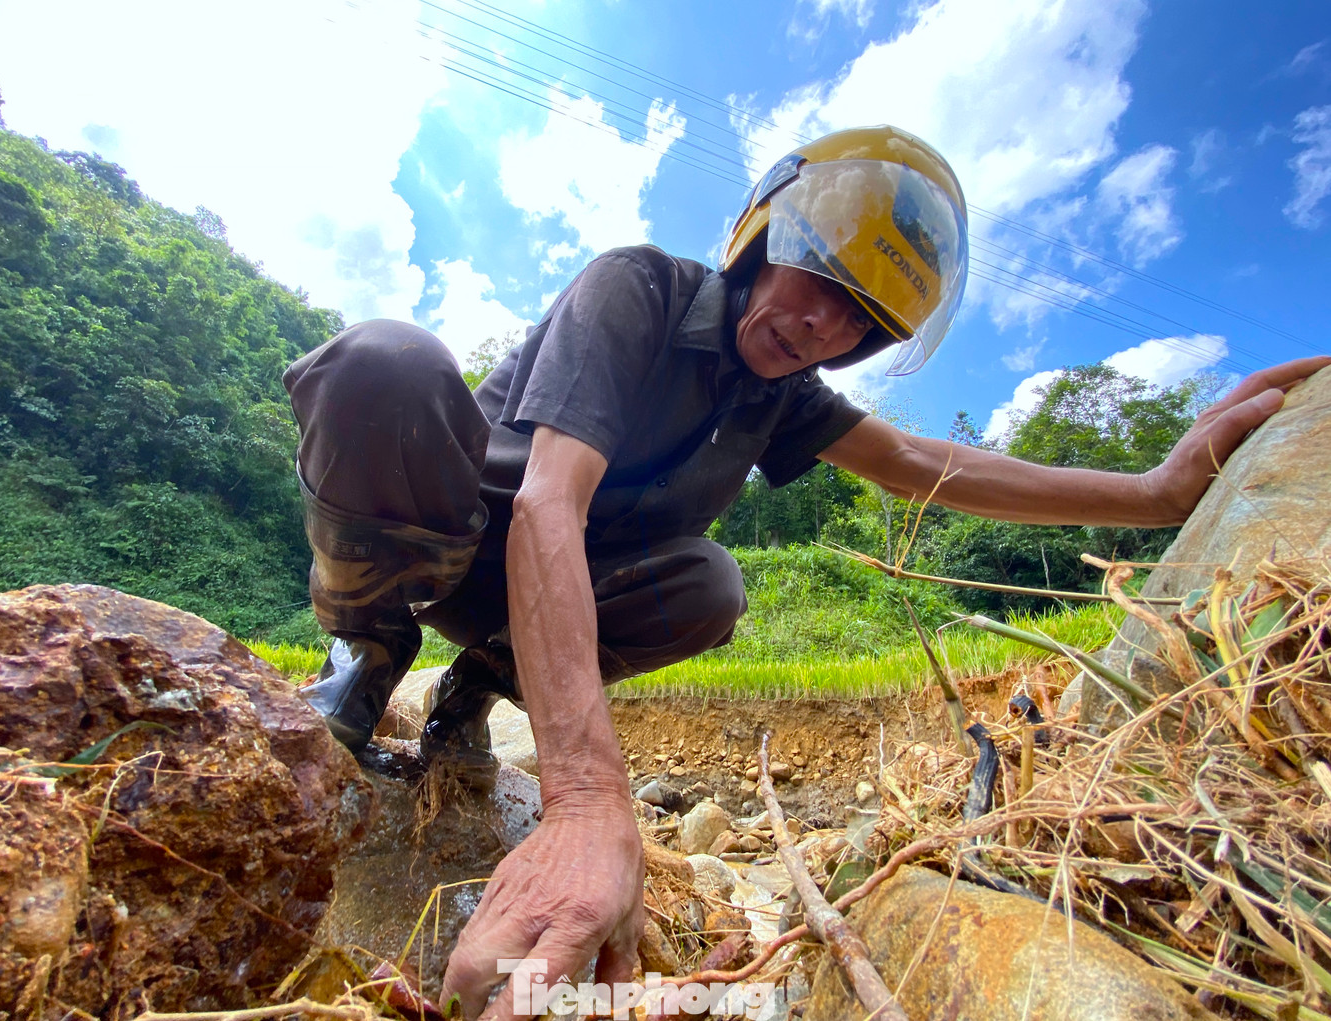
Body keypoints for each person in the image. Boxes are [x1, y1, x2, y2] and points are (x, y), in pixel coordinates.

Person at [283, 125, 1328, 1020]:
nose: (824, 326)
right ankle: (370, 647)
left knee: (709, 587)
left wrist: (1150, 493)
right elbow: (549, 501)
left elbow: (923, 464)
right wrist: (587, 803)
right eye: (820, 280)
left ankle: (475, 691)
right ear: (762, 234)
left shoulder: (780, 399)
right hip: (459, 549)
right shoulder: (637, 289)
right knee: (384, 365)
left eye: (861, 322)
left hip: (546, 615)